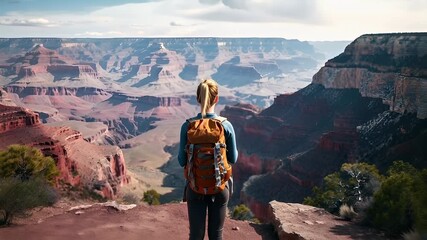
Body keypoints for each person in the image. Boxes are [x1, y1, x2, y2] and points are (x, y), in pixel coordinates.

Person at [178, 79, 238, 240]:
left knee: (196, 235)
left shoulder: (188, 126)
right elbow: (233, 158)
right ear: (216, 99)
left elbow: (181, 161)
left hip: (195, 187)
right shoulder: (226, 125)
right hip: (219, 188)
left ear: (198, 98)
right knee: (216, 235)